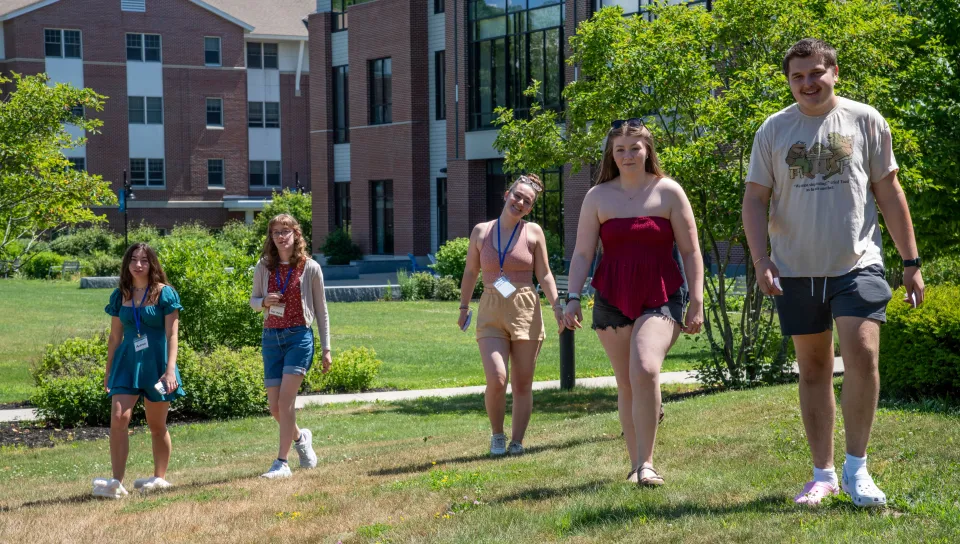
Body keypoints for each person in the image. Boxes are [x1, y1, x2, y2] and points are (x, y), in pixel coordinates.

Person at [742, 38, 924, 507]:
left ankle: (857, 470)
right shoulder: (773, 129)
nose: (807, 83)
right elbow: (755, 199)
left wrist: (911, 261)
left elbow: (889, 192)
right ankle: (822, 475)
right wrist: (762, 261)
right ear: (789, 80)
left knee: (862, 354)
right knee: (815, 369)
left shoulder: (865, 120)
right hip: (795, 269)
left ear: (834, 72)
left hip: (856, 262)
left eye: (816, 73)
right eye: (798, 76)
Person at [563, 119, 704, 486]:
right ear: (612, 154)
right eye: (620, 149)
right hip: (611, 294)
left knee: (644, 368)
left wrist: (698, 300)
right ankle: (635, 464)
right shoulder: (597, 196)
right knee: (627, 382)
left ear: (648, 150)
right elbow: (581, 254)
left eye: (635, 148)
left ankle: (649, 463)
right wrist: (573, 297)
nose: (627, 155)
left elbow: (690, 252)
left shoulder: (669, 191)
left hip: (662, 292)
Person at [458, 174, 565, 456]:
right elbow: (471, 272)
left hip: (525, 309)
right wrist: (463, 306)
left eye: (527, 201)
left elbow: (544, 273)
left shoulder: (533, 233)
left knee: (522, 382)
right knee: (497, 378)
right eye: (517, 196)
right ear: (507, 194)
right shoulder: (481, 231)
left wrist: (557, 306)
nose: (520, 202)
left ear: (529, 209)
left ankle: (517, 441)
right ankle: (497, 435)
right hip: (491, 308)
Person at [96, 243, 185, 499]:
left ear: (152, 264)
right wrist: (109, 369)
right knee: (119, 418)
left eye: (144, 260)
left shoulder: (164, 294)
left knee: (156, 425)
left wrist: (170, 371)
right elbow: (114, 337)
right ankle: (116, 483)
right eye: (133, 260)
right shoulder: (120, 294)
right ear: (127, 264)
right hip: (126, 365)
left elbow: (172, 334)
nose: (138, 265)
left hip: (157, 364)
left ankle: (159, 478)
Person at [250, 214, 332, 479]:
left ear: (296, 234)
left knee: (286, 403)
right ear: (271, 238)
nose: (280, 236)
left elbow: (322, 310)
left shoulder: (310, 267)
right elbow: (253, 301)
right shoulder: (264, 266)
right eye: (275, 232)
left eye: (285, 231)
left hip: (299, 337)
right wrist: (263, 302)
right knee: (275, 408)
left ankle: (281, 463)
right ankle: (301, 438)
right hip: (271, 337)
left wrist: (326, 348)